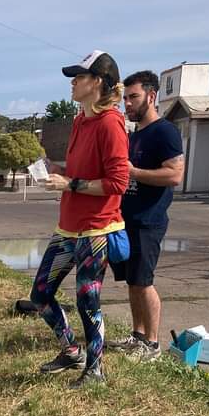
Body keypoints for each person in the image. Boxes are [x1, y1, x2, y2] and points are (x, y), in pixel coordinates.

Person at [30, 51, 129, 387]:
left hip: (97, 229)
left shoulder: (111, 123)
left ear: (98, 82)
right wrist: (59, 172)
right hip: (68, 228)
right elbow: (81, 170)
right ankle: (71, 349)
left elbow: (118, 183)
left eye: (79, 77)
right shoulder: (80, 120)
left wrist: (70, 183)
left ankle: (96, 369)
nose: (72, 83)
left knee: (88, 298)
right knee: (40, 294)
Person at [106, 71, 185, 361]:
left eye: (133, 97)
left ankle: (152, 345)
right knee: (132, 282)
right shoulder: (135, 134)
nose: (127, 103)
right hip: (127, 219)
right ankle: (137, 336)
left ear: (151, 97)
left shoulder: (165, 131)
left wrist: (133, 172)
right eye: (125, 98)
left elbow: (175, 174)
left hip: (148, 220)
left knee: (143, 281)